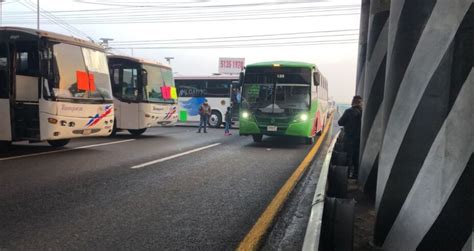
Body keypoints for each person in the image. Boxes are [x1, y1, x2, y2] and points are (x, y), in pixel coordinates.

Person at [338, 95, 363, 179]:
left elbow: (340, 122)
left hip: (349, 138)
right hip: (359, 139)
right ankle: (356, 175)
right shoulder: (363, 113)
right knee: (356, 157)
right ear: (361, 103)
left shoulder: (348, 111)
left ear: (353, 102)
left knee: (348, 157)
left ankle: (346, 175)